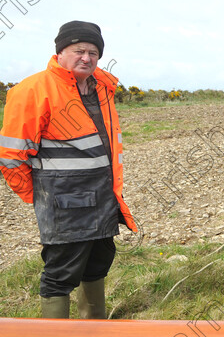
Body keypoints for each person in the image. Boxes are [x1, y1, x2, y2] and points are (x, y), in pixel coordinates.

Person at [0, 21, 137, 319]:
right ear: (60, 52)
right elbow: (11, 156)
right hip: (64, 202)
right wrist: (39, 195)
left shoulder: (102, 87)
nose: (86, 58)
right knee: (61, 272)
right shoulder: (33, 90)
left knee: (98, 263)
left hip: (102, 197)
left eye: (93, 52)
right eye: (78, 51)